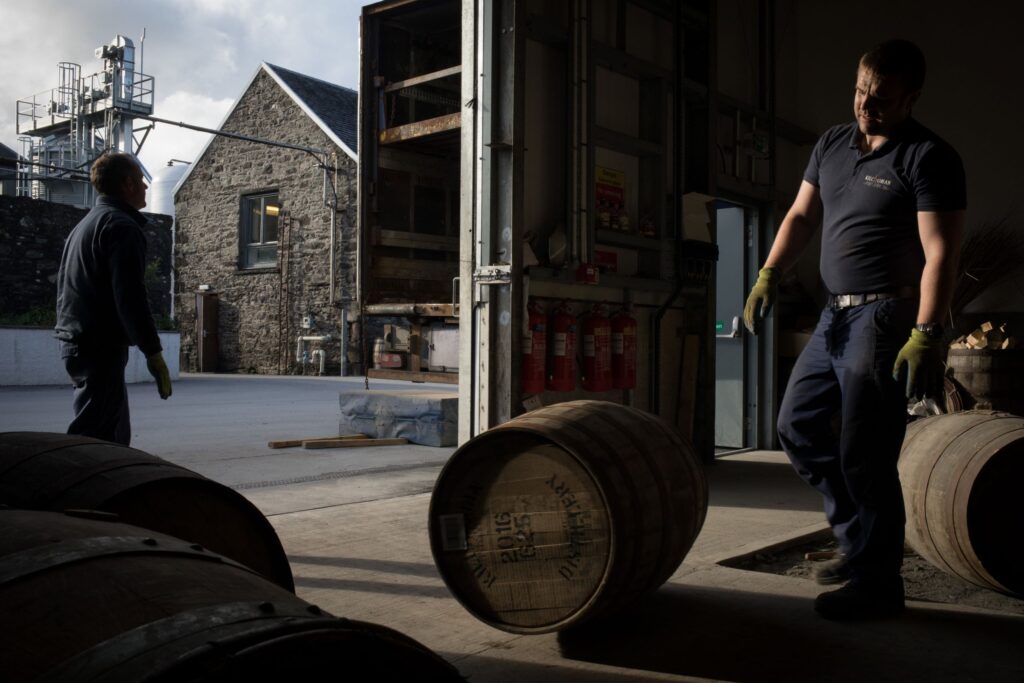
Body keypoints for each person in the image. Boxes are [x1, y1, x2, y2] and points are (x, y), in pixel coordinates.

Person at [743, 40, 965, 620]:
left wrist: (927, 332)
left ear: (911, 99)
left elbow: (940, 251)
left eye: (883, 98)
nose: (867, 105)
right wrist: (769, 273)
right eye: (862, 90)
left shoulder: (928, 157)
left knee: (865, 450)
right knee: (796, 425)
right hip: (832, 316)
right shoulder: (832, 143)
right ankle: (857, 542)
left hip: (884, 318)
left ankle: (877, 582)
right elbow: (800, 215)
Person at [55, 152, 173, 446]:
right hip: (99, 346)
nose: (147, 187)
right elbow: (130, 296)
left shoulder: (84, 226)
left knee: (114, 438)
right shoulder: (121, 226)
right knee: (95, 442)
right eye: (142, 181)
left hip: (80, 341)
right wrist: (153, 353)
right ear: (127, 184)